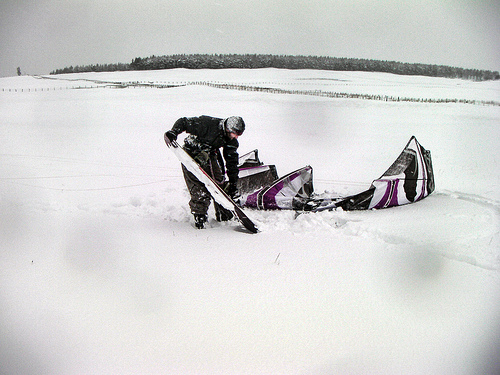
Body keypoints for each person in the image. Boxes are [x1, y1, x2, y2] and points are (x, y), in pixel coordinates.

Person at [164, 115, 245, 229]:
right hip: (191, 152)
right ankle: (200, 216)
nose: (236, 137)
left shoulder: (231, 140)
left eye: (239, 135)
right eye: (235, 133)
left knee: (219, 183)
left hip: (209, 154)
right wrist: (174, 132)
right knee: (199, 188)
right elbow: (184, 122)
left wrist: (233, 183)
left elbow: (232, 161)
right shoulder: (207, 124)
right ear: (227, 129)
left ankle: (224, 214)